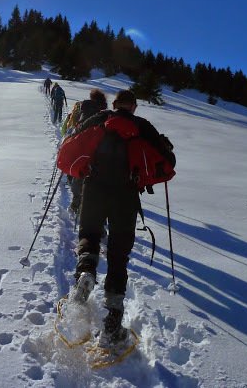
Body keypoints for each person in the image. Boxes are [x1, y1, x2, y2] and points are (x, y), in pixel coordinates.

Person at [68, 89, 175, 348]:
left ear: (115, 105)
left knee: (90, 236)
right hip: (126, 197)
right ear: (134, 107)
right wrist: (165, 145)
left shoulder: (101, 118)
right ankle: (113, 325)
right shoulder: (142, 126)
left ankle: (86, 272)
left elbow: (74, 139)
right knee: (118, 257)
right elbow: (169, 161)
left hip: (93, 190)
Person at [66, 89, 108, 213]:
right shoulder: (102, 114)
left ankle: (75, 204)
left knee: (77, 174)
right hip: (94, 151)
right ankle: (84, 207)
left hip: (78, 147)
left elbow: (74, 125)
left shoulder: (82, 107)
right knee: (88, 177)